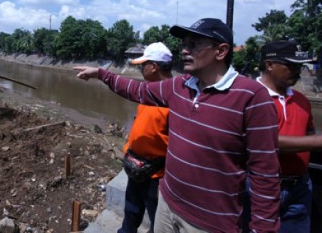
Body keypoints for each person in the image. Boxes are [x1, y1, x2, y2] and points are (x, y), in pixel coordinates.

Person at [75, 18, 280, 232]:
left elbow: (265, 174)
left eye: (193, 44)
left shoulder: (253, 97)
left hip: (208, 223)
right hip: (167, 206)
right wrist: (101, 74)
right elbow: (137, 90)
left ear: (221, 51)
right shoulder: (179, 86)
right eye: (184, 44)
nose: (184, 50)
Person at [256, 40, 322, 232]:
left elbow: (308, 132)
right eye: (290, 65)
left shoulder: (301, 100)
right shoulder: (251, 97)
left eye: (299, 66)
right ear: (269, 65)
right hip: (261, 187)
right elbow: (262, 142)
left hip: (300, 187)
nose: (297, 71)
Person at [118, 42, 172, 233]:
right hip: (136, 167)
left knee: (158, 217)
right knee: (131, 211)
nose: (141, 69)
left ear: (154, 67)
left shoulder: (173, 97)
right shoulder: (147, 92)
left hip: (158, 176)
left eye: (143, 65)